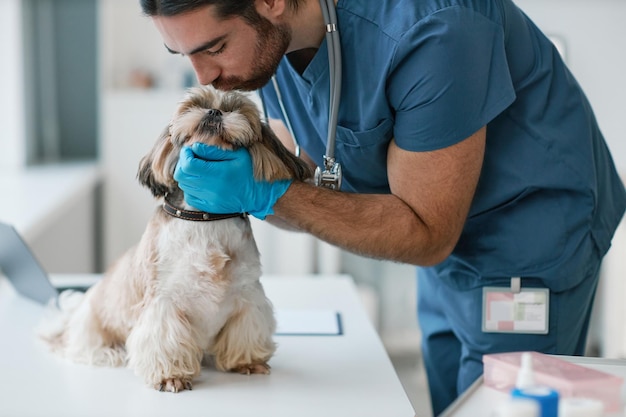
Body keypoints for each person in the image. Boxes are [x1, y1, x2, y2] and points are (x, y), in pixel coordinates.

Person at [140, 0, 626, 414]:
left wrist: (266, 193)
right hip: (436, 244)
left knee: (500, 402)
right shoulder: (266, 46)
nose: (207, 77)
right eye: (184, 53)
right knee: (452, 400)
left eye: (215, 47)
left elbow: (427, 231)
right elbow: (309, 164)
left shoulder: (435, 29)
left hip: (527, 239)